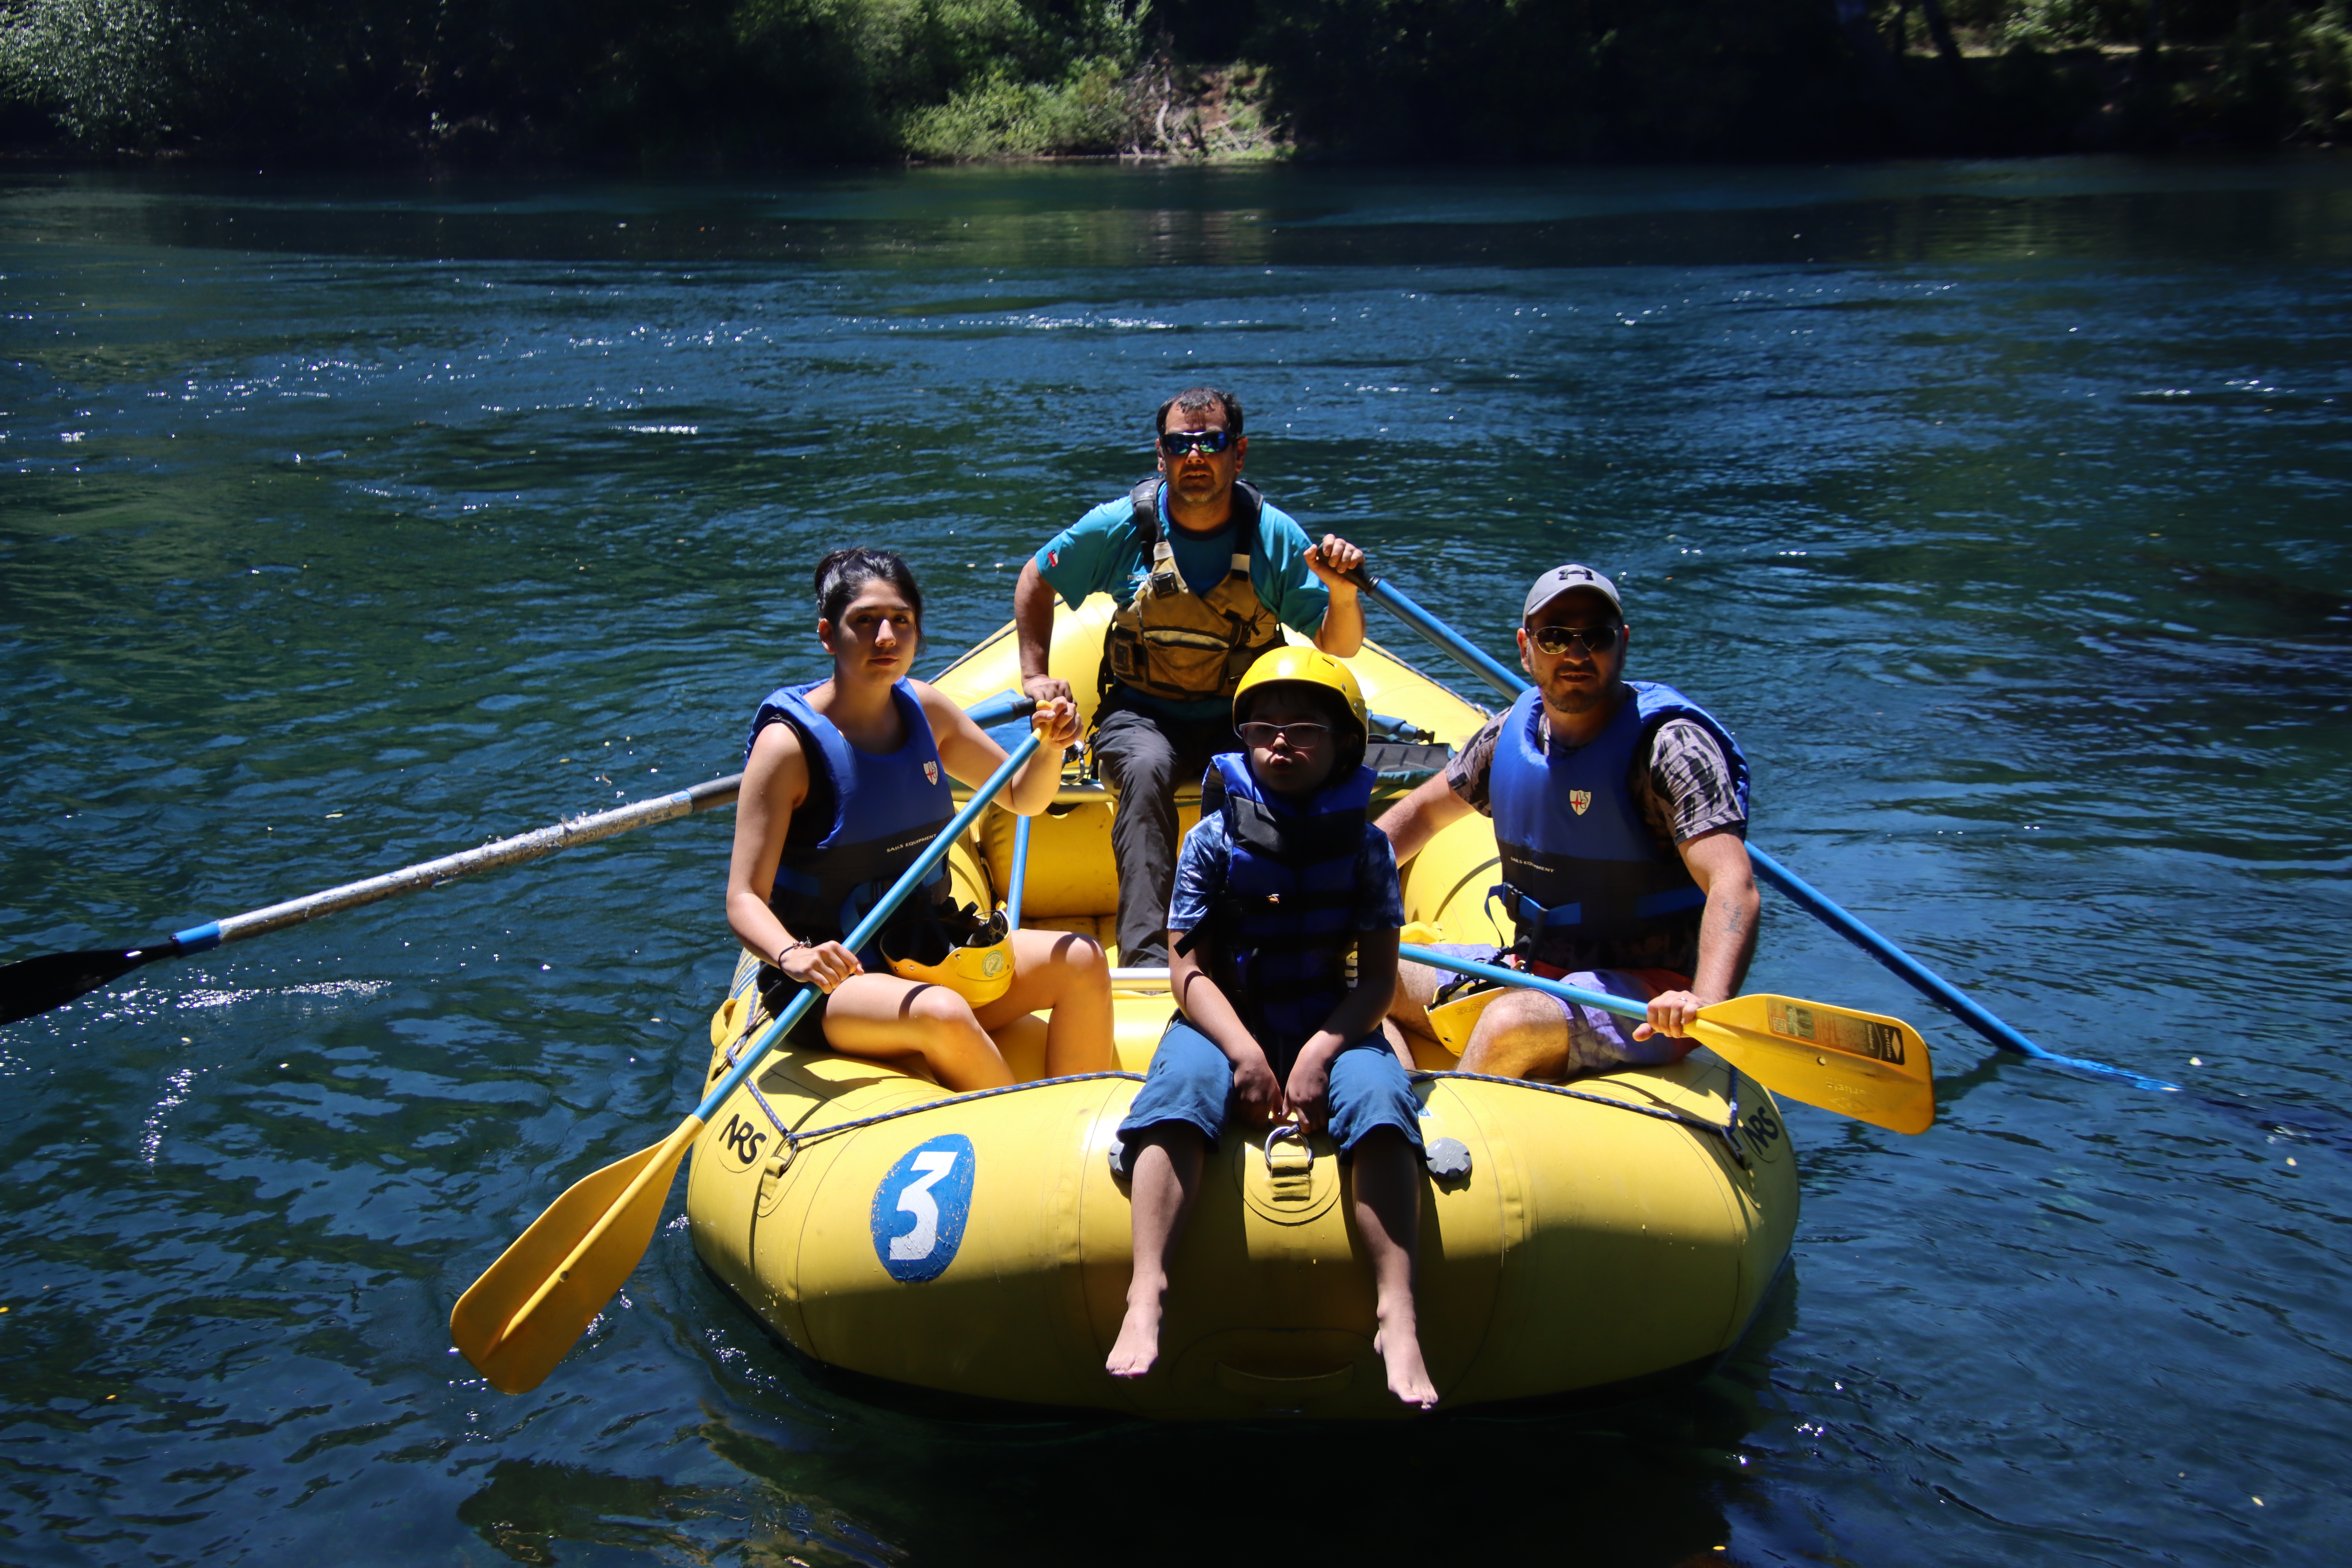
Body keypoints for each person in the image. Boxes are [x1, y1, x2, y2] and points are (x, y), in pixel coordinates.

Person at [1106, 647, 1438, 1410]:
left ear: (1344, 745)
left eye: (1304, 730)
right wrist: (1245, 1052)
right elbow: (1186, 974)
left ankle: (1398, 1310)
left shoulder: (1367, 847)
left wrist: (1323, 1049)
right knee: (1180, 1089)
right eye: (1262, 728)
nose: (1280, 743)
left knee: (1381, 1099)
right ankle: (1147, 1289)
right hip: (1230, 1013)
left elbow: (1380, 983)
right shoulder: (1212, 840)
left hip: (1331, 1012)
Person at [725, 548, 1113, 1092]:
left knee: (1082, 959)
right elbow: (743, 897)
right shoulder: (786, 747)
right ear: (827, 635)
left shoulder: (927, 711)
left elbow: (1024, 798)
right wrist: (795, 956)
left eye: (900, 621)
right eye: (865, 621)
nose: (886, 637)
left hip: (928, 945)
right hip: (834, 978)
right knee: (943, 1012)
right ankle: (1026, 1137)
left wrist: (1050, 748)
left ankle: (1086, 1123)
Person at [1013, 386, 1369, 967]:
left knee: (1251, 775)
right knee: (1148, 769)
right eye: (1182, 445)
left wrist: (1342, 593)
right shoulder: (1121, 527)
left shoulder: (1272, 536)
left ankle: (1246, 944)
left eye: (1212, 443)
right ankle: (1149, 958)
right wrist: (1035, 676)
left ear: (1239, 454)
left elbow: (1339, 643)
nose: (1196, 457)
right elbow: (1036, 577)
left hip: (1241, 717)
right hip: (1140, 713)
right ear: (1162, 456)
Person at [1379, 565, 1758, 1078]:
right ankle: (1397, 1106)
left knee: (1508, 1022)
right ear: (1526, 646)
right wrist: (1326, 886)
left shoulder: (1671, 748)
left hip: (1645, 991)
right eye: (1555, 637)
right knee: (1361, 965)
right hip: (1538, 968)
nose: (1576, 655)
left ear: (1622, 643)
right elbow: (1422, 813)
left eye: (1595, 637)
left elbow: (1732, 884)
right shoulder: (1513, 733)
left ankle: (1446, 1140)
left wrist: (1704, 1001)